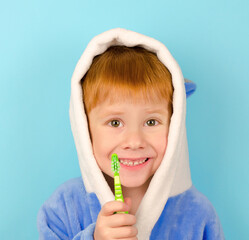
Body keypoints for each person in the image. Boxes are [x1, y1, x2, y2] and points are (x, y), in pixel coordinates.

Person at [37, 28, 224, 240]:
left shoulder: (198, 215)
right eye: (115, 122)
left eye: (151, 122)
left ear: (175, 125)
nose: (134, 141)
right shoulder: (64, 207)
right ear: (84, 128)